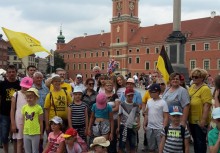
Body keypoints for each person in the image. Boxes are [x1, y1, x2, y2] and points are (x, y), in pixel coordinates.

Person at [188, 68, 212, 153]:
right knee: (195, 141)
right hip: (191, 119)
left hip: (200, 120)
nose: (194, 78)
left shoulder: (205, 89)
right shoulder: (192, 87)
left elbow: (207, 106)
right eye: (192, 76)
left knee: (200, 142)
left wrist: (203, 120)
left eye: (196, 77)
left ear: (202, 78)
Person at [0, 65, 21, 153]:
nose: (11, 74)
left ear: (16, 73)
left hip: (17, 113)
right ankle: (6, 151)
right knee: (4, 136)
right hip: (4, 113)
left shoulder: (20, 84)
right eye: (9, 72)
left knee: (16, 136)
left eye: (13, 72)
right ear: (7, 74)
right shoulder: (2, 84)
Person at [143, 83, 169, 153]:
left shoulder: (163, 103)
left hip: (159, 128)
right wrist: (144, 124)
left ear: (157, 92)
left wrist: (164, 129)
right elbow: (146, 113)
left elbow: (166, 116)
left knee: (160, 148)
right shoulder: (149, 101)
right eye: (150, 92)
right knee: (151, 148)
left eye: (152, 92)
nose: (150, 93)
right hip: (150, 128)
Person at [10, 77, 33, 153]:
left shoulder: (32, 95)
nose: (24, 88)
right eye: (23, 86)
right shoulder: (16, 94)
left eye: (26, 87)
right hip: (19, 120)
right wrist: (13, 124)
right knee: (19, 141)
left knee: (27, 142)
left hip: (29, 120)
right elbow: (12, 110)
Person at [117, 88, 140, 153]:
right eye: (129, 96)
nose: (130, 97)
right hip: (123, 126)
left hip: (133, 127)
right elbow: (119, 115)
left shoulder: (135, 105)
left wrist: (139, 123)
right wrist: (118, 127)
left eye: (132, 95)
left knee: (132, 144)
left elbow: (138, 114)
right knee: (121, 144)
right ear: (125, 95)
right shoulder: (122, 104)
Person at [32, 71, 49, 152]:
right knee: (36, 135)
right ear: (33, 79)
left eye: (40, 78)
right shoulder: (31, 89)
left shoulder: (46, 88)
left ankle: (42, 149)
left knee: (44, 135)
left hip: (45, 115)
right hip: (34, 116)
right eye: (37, 78)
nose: (39, 79)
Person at [22, 88, 43, 153]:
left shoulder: (39, 108)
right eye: (27, 97)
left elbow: (41, 122)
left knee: (35, 151)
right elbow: (23, 121)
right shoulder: (24, 107)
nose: (29, 99)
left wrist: (41, 133)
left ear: (36, 98)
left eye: (31, 97)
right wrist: (23, 131)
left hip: (36, 132)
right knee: (27, 151)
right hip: (26, 132)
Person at [104, 80, 120, 153]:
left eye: (111, 85)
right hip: (105, 120)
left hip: (114, 120)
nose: (109, 86)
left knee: (113, 138)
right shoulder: (102, 95)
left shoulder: (115, 95)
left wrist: (107, 111)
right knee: (104, 139)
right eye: (107, 85)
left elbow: (117, 108)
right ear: (104, 87)